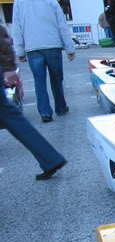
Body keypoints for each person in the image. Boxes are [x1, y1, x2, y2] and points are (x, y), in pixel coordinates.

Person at [0, 24, 67, 180]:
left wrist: (9, 66)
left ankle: (51, 159)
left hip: (36, 46)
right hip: (47, 44)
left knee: (11, 116)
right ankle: (50, 159)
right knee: (11, 117)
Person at [11, 0, 75, 123]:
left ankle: (45, 112)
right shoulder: (51, 1)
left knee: (39, 81)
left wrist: (20, 51)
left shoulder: (19, 2)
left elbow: (17, 27)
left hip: (32, 46)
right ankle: (61, 107)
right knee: (56, 79)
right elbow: (62, 24)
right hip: (52, 44)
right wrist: (69, 48)